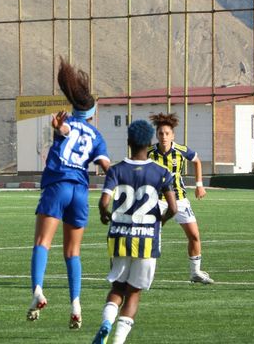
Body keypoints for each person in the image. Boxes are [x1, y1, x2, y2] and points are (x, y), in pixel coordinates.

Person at [27, 57, 111, 329]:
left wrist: (58, 128)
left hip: (58, 186)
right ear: (92, 113)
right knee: (73, 252)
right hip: (80, 192)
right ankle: (76, 304)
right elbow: (107, 166)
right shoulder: (96, 135)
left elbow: (63, 130)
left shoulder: (67, 124)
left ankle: (37, 291)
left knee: (42, 243)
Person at [91, 119, 176, 344]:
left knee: (118, 287)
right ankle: (118, 341)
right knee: (134, 291)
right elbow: (173, 209)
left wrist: (104, 214)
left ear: (128, 141)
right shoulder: (161, 172)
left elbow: (103, 201)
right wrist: (161, 222)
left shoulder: (117, 170)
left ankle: (106, 323)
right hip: (147, 240)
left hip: (119, 237)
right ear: (149, 143)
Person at [147, 112, 212, 284]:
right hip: (157, 201)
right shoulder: (149, 153)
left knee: (194, 236)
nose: (163, 136)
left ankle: (195, 273)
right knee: (152, 237)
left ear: (173, 135)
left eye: (167, 133)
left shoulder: (181, 150)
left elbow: (197, 161)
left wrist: (199, 185)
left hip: (180, 199)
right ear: (157, 135)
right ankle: (147, 273)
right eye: (160, 133)